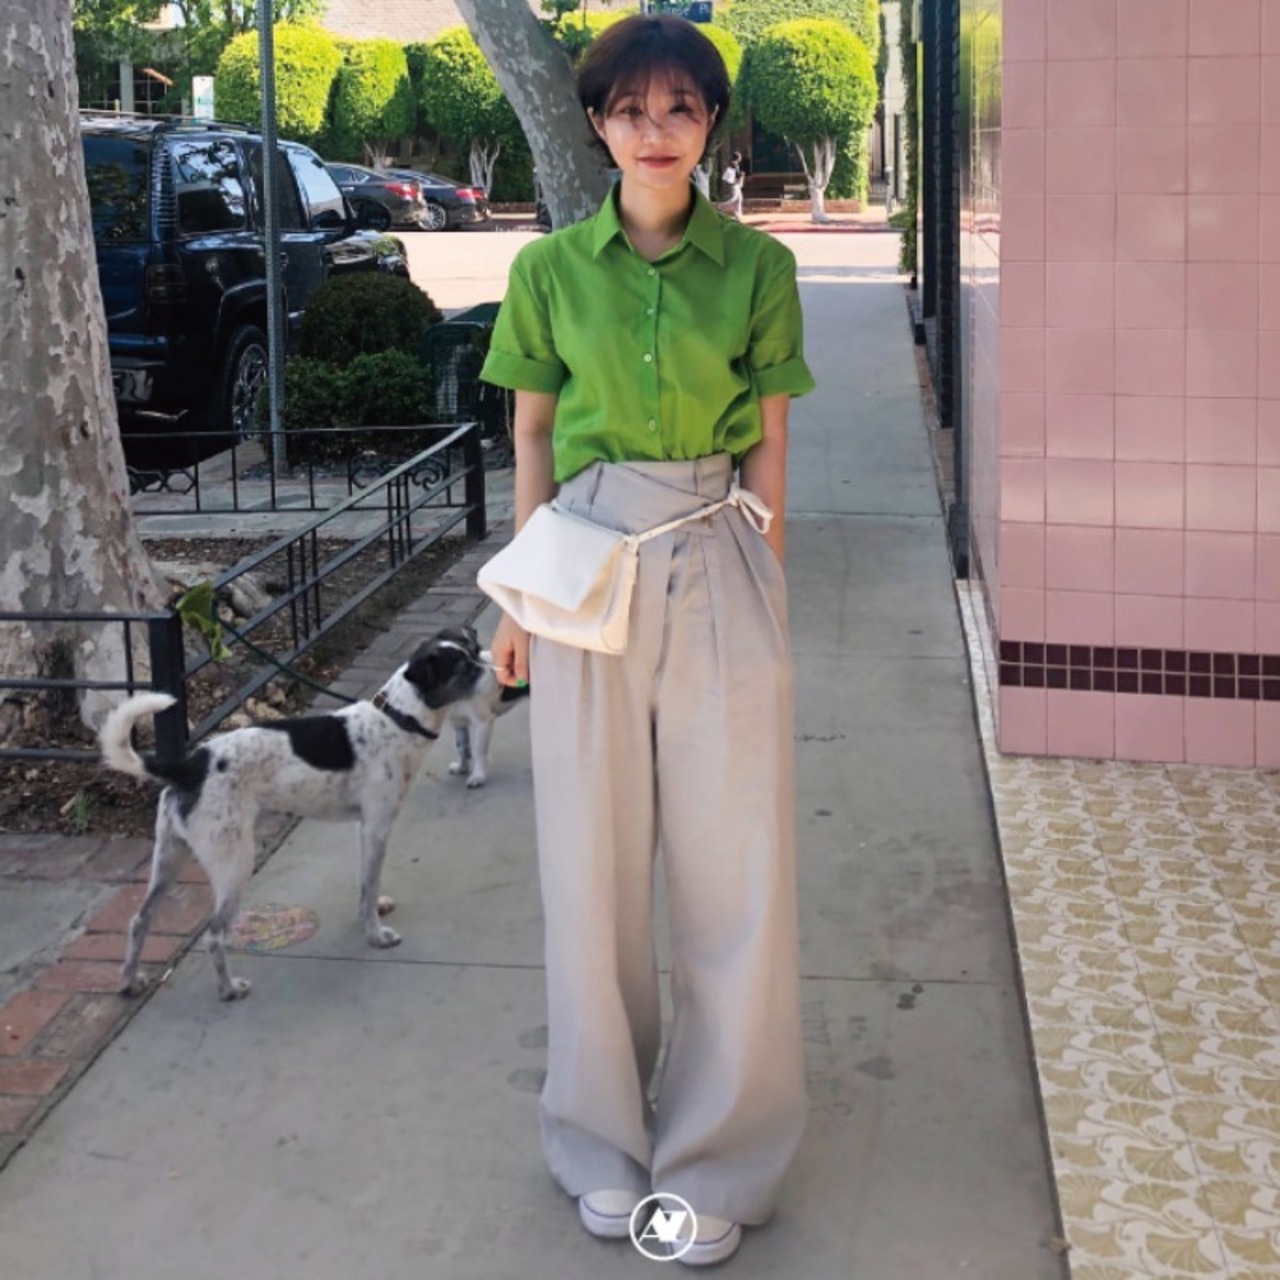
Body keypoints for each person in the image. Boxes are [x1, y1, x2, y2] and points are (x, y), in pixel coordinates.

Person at [479, 14, 814, 1268]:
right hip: (583, 557)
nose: (655, 130)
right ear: (597, 124)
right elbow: (529, 435)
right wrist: (517, 602)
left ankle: (718, 1155)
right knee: (590, 868)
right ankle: (601, 1142)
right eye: (631, 109)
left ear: (710, 123)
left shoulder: (757, 267)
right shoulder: (548, 270)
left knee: (736, 874)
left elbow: (770, 438)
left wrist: (765, 578)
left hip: (717, 542)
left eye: (680, 107)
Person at [720, 148, 744, 219]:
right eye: (740, 156)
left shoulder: (733, 164)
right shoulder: (734, 165)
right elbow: (737, 175)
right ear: (738, 157)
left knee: (739, 198)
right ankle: (721, 206)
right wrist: (742, 174)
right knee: (734, 199)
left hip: (735, 184)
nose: (741, 158)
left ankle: (738, 214)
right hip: (734, 184)